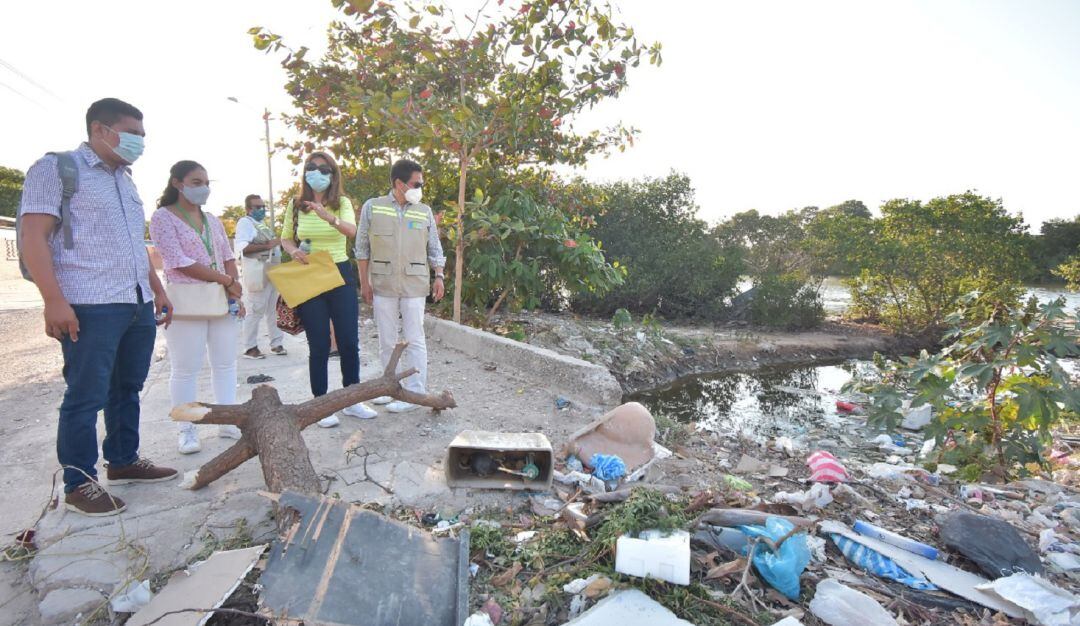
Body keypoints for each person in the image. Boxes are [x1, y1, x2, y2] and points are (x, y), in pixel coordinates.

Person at [17, 98, 177, 516]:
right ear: (100, 130)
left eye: (142, 135)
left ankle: (123, 459)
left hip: (135, 300)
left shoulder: (125, 179)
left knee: (127, 388)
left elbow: (133, 243)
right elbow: (33, 236)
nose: (139, 142)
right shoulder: (56, 169)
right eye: (132, 134)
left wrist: (156, 287)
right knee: (86, 396)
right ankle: (79, 483)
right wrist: (53, 300)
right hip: (89, 303)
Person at [149, 161, 245, 454]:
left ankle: (227, 421)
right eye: (196, 181)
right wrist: (226, 279)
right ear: (177, 183)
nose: (204, 187)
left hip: (220, 298)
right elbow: (178, 261)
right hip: (187, 300)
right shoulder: (162, 218)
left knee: (225, 363)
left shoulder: (212, 219)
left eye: (206, 181)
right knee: (185, 368)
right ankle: (187, 429)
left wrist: (233, 290)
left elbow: (227, 255)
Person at [280, 150, 376, 427]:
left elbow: (352, 231)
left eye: (324, 168)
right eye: (312, 166)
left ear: (333, 174)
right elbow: (285, 238)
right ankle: (320, 404)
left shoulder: (341, 202)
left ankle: (352, 400)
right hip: (309, 275)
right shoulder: (295, 204)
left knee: (348, 341)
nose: (317, 172)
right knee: (319, 343)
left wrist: (327, 216)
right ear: (305, 172)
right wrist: (294, 250)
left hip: (339, 272)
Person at [356, 159, 445, 413]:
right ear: (399, 183)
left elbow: (435, 248)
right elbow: (362, 248)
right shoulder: (373, 207)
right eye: (417, 184)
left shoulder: (424, 211)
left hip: (414, 284)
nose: (420, 188)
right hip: (383, 283)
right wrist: (365, 283)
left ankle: (416, 392)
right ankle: (388, 387)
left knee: (415, 338)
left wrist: (439, 276)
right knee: (387, 339)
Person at [234, 193, 286, 359]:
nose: (262, 210)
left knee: (273, 309)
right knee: (255, 310)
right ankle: (250, 347)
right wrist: (268, 244)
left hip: (272, 272)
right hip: (258, 272)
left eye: (263, 207)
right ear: (248, 209)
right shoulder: (245, 223)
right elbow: (243, 247)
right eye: (257, 207)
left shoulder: (261, 225)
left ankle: (276, 343)